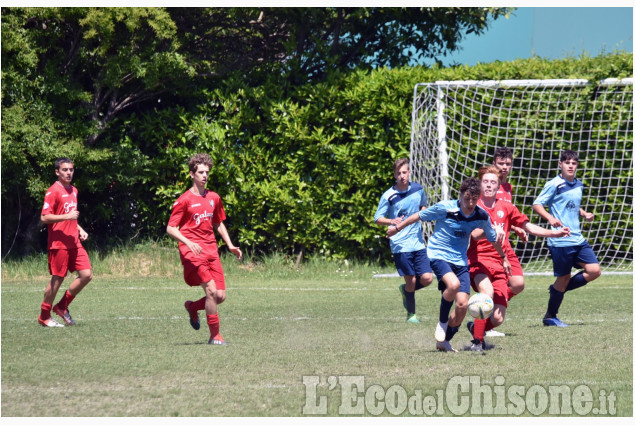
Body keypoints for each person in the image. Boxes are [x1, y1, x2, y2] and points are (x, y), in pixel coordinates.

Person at [387, 178, 509, 352]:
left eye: (474, 199)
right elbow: (418, 216)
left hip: (460, 260)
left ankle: (444, 341)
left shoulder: (481, 215)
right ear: (460, 195)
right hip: (438, 255)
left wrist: (503, 257)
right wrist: (397, 228)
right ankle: (442, 323)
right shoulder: (446, 208)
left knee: (462, 306)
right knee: (453, 285)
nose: (471, 203)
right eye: (467, 199)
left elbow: (492, 238)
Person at [467, 166, 571, 351]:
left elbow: (528, 226)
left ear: (499, 186)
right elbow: (474, 234)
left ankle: (477, 328)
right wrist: (491, 231)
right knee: (486, 293)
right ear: (480, 184)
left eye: (493, 182)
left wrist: (554, 234)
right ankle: (478, 343)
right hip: (479, 260)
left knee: (498, 318)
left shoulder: (505, 207)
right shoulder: (474, 207)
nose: (489, 185)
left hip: (500, 261)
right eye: (485, 182)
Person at [166, 153, 242, 345]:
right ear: (192, 174)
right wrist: (188, 242)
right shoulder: (184, 200)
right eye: (200, 172)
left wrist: (230, 245)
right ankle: (215, 336)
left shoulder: (214, 198)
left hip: (211, 251)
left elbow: (218, 223)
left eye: (207, 172)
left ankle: (192, 307)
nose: (204, 176)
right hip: (192, 252)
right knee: (210, 290)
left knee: (220, 296)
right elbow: (170, 228)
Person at [532, 150, 601, 327]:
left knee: (594, 270)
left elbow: (572, 205)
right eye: (567, 162)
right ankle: (550, 316)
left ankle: (556, 290)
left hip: (577, 238)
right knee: (563, 278)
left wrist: (584, 213)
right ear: (560, 164)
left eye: (574, 163)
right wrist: (550, 218)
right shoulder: (554, 184)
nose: (571, 165)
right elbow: (537, 204)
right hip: (560, 240)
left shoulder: (579, 184)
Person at [374, 158, 434, 323]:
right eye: (398, 173)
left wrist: (423, 213)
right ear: (394, 175)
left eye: (404, 172)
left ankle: (406, 291)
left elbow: (423, 206)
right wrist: (390, 221)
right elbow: (377, 218)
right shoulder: (389, 195)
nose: (402, 176)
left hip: (418, 242)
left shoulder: (418, 189)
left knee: (428, 278)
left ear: (409, 172)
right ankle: (411, 315)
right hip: (400, 244)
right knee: (412, 280)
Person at [38, 157, 93, 327]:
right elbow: (44, 217)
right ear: (57, 172)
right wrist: (66, 217)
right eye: (64, 170)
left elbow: (71, 216)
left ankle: (62, 307)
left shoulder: (74, 190)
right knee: (57, 279)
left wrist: (79, 228)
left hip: (74, 241)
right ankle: (44, 316)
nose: (69, 172)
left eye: (71, 169)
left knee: (86, 275)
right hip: (59, 243)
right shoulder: (53, 191)